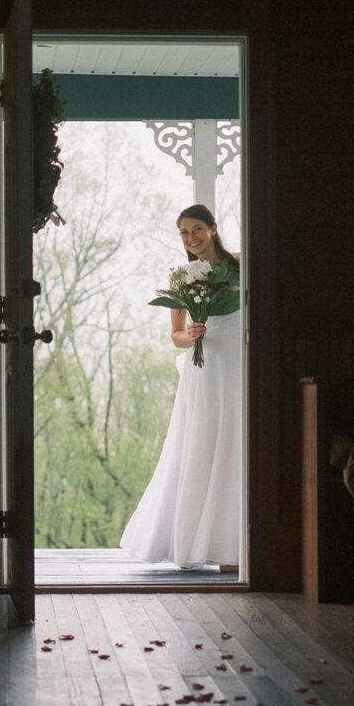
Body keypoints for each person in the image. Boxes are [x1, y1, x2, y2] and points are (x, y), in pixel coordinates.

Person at [120, 204, 242, 572]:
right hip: (205, 368)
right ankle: (194, 542)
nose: (191, 238)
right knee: (201, 443)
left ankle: (233, 547)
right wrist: (191, 335)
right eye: (184, 232)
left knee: (236, 444)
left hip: (238, 361)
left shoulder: (240, 266)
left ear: (213, 228)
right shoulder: (181, 278)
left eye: (197, 229)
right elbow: (174, 336)